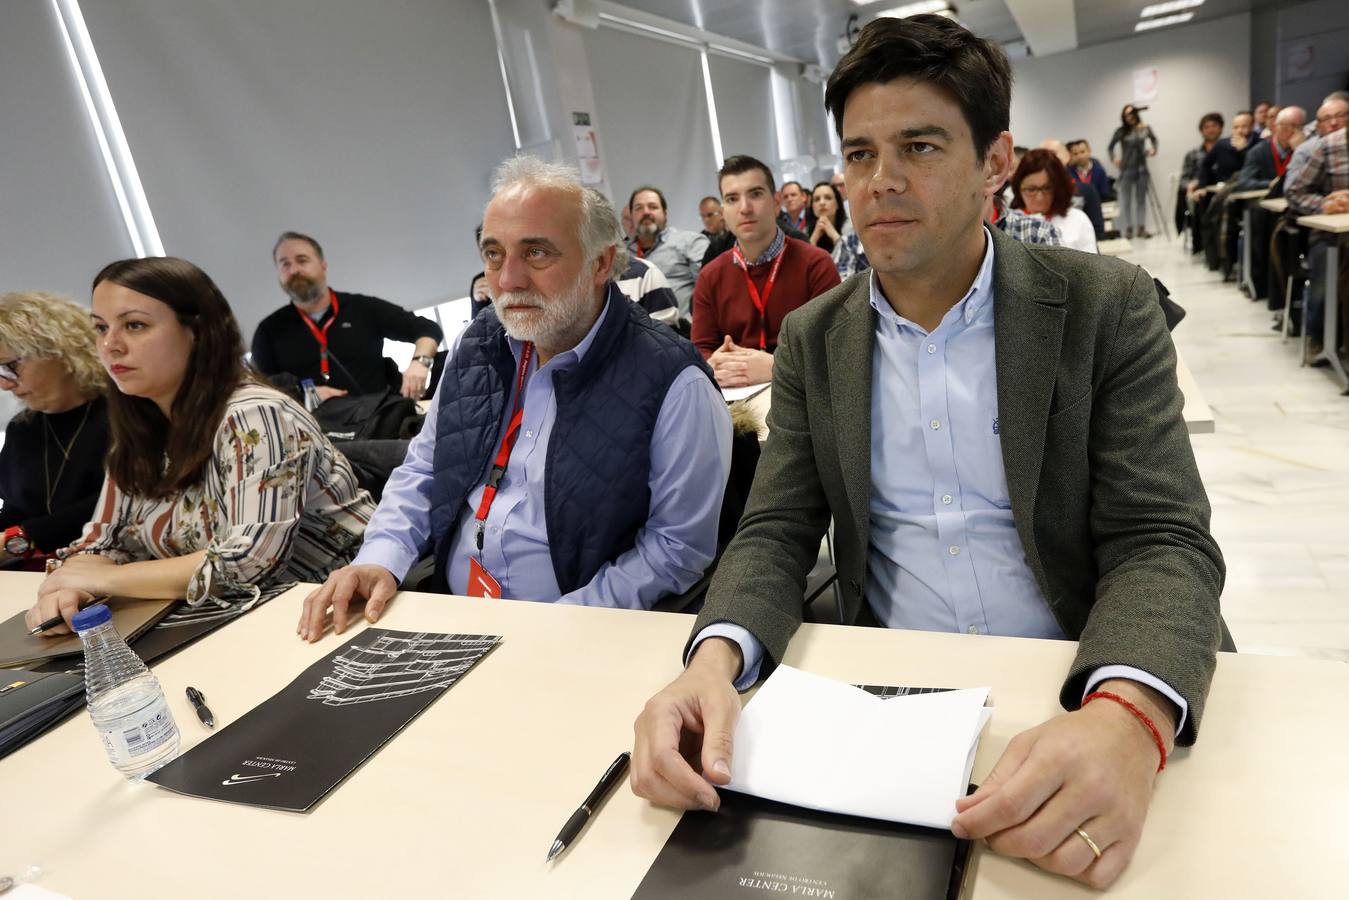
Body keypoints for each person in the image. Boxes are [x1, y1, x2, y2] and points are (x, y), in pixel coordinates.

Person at [630, 15, 1227, 892]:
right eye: (860, 154)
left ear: (994, 162)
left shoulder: (1105, 306)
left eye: (919, 146)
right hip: (898, 716)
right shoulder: (814, 338)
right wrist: (710, 663)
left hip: (1080, 675)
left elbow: (1162, 538)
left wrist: (1126, 715)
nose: (882, 181)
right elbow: (775, 530)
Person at [297, 158, 732, 638]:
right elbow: (425, 468)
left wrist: (563, 623)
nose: (507, 281)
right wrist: (380, 559)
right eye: (494, 254)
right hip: (449, 614)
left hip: (575, 632)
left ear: (602, 263)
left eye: (537, 253)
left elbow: (677, 548)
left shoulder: (673, 381)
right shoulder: (477, 345)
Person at [25, 257, 376, 635]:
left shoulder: (254, 415)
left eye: (135, 325)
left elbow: (248, 562)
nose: (110, 345)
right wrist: (68, 589)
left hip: (344, 613)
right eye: (100, 327)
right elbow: (101, 542)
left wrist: (106, 580)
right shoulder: (140, 428)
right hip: (236, 621)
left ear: (197, 331)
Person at [691, 156, 841, 388]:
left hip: (805, 394)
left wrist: (776, 367)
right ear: (724, 210)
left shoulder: (816, 264)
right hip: (736, 399)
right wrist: (714, 363)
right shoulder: (710, 276)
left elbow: (835, 349)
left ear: (776, 201)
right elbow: (701, 349)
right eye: (732, 199)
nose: (745, 208)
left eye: (756, 194)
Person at [251, 232, 444, 401]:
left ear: (323, 265)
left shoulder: (362, 308)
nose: (294, 270)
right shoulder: (269, 330)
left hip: (378, 423)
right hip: (313, 432)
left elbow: (427, 328)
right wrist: (305, 394)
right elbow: (261, 389)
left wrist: (420, 363)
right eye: (285, 264)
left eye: (302, 260)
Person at [0, 293, 111, 569]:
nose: (5, 385)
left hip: (110, 567)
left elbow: (116, 506)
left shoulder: (128, 416)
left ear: (57, 350)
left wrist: (22, 539)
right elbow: (18, 507)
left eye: (10, 367)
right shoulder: (22, 429)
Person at [1285, 100, 1349, 364]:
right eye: (1328, 118)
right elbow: (1294, 192)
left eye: (1341, 115)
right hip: (1331, 235)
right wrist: (1324, 204)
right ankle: (1316, 336)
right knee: (1324, 279)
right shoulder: (1329, 146)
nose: (1334, 122)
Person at [628, 186, 709, 320]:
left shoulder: (691, 242)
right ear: (631, 216)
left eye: (653, 207)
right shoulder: (621, 256)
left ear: (665, 213)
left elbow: (712, 291)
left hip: (684, 334)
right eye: (639, 208)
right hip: (637, 337)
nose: (646, 212)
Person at [1010, 149, 1098, 253]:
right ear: (1018, 189)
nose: (1039, 197)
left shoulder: (1077, 219)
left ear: (1059, 188)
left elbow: (1090, 267)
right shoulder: (1010, 222)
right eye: (1031, 189)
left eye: (1047, 188)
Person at [1107, 104, 1159, 238]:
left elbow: (1154, 140)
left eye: (1131, 114)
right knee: (1127, 201)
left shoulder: (1144, 128)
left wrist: (1153, 149)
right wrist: (1114, 159)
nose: (1129, 117)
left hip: (1142, 169)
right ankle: (1129, 228)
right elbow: (1110, 147)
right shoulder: (1121, 131)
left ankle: (1141, 228)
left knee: (1141, 200)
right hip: (1126, 170)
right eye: (1126, 115)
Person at [1180, 112, 1224, 247]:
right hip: (1200, 193)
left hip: (1223, 192)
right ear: (1202, 131)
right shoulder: (1193, 154)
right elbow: (1184, 179)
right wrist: (1191, 185)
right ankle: (1206, 245)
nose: (1211, 129)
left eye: (1214, 126)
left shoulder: (1228, 151)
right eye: (1207, 127)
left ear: (1221, 128)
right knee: (1201, 201)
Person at [1238, 106, 1306, 189]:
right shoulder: (1258, 152)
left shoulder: (1305, 150)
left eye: (1298, 127)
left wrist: (1300, 150)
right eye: (1288, 126)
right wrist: (1269, 184)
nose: (1293, 131)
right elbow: (1244, 182)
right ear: (1276, 127)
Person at [1199, 110, 1258, 187]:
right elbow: (1206, 165)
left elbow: (1255, 167)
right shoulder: (1222, 144)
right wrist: (1202, 187)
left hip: (1252, 187)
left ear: (1252, 127)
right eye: (1236, 127)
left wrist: (1244, 150)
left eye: (1244, 126)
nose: (1239, 131)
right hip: (1226, 189)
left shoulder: (1260, 144)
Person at [805, 181, 850, 255]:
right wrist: (814, 238)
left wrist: (833, 234)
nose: (822, 203)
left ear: (837, 204)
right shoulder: (805, 232)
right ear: (812, 207)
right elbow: (803, 263)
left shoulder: (850, 228)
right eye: (817, 199)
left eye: (828, 198)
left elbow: (853, 260)